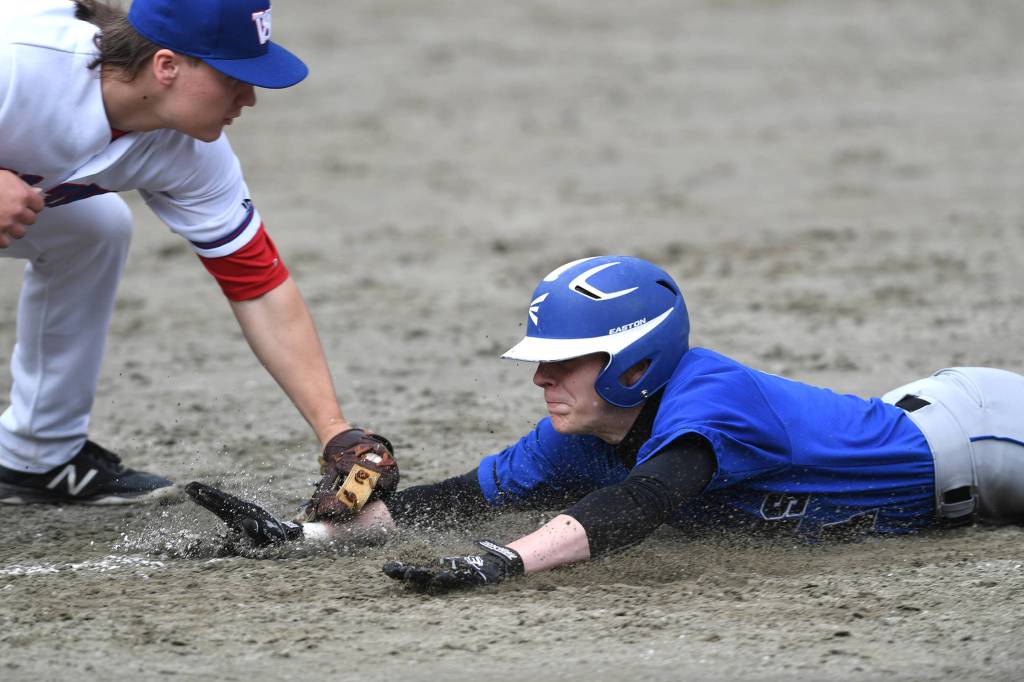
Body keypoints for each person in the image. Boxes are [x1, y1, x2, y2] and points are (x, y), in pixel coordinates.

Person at [187, 255, 1024, 591]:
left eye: (567, 358)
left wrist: (500, 566)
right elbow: (454, 500)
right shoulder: (574, 435)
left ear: (636, 360)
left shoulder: (708, 401)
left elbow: (640, 506)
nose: (544, 376)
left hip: (982, 440)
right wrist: (306, 536)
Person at [0, 0, 374, 506]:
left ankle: (37, 455)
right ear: (166, 65)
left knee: (94, 229)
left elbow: (259, 288)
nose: (250, 97)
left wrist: (335, 431)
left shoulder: (192, 153)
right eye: (233, 76)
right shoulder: (20, 61)